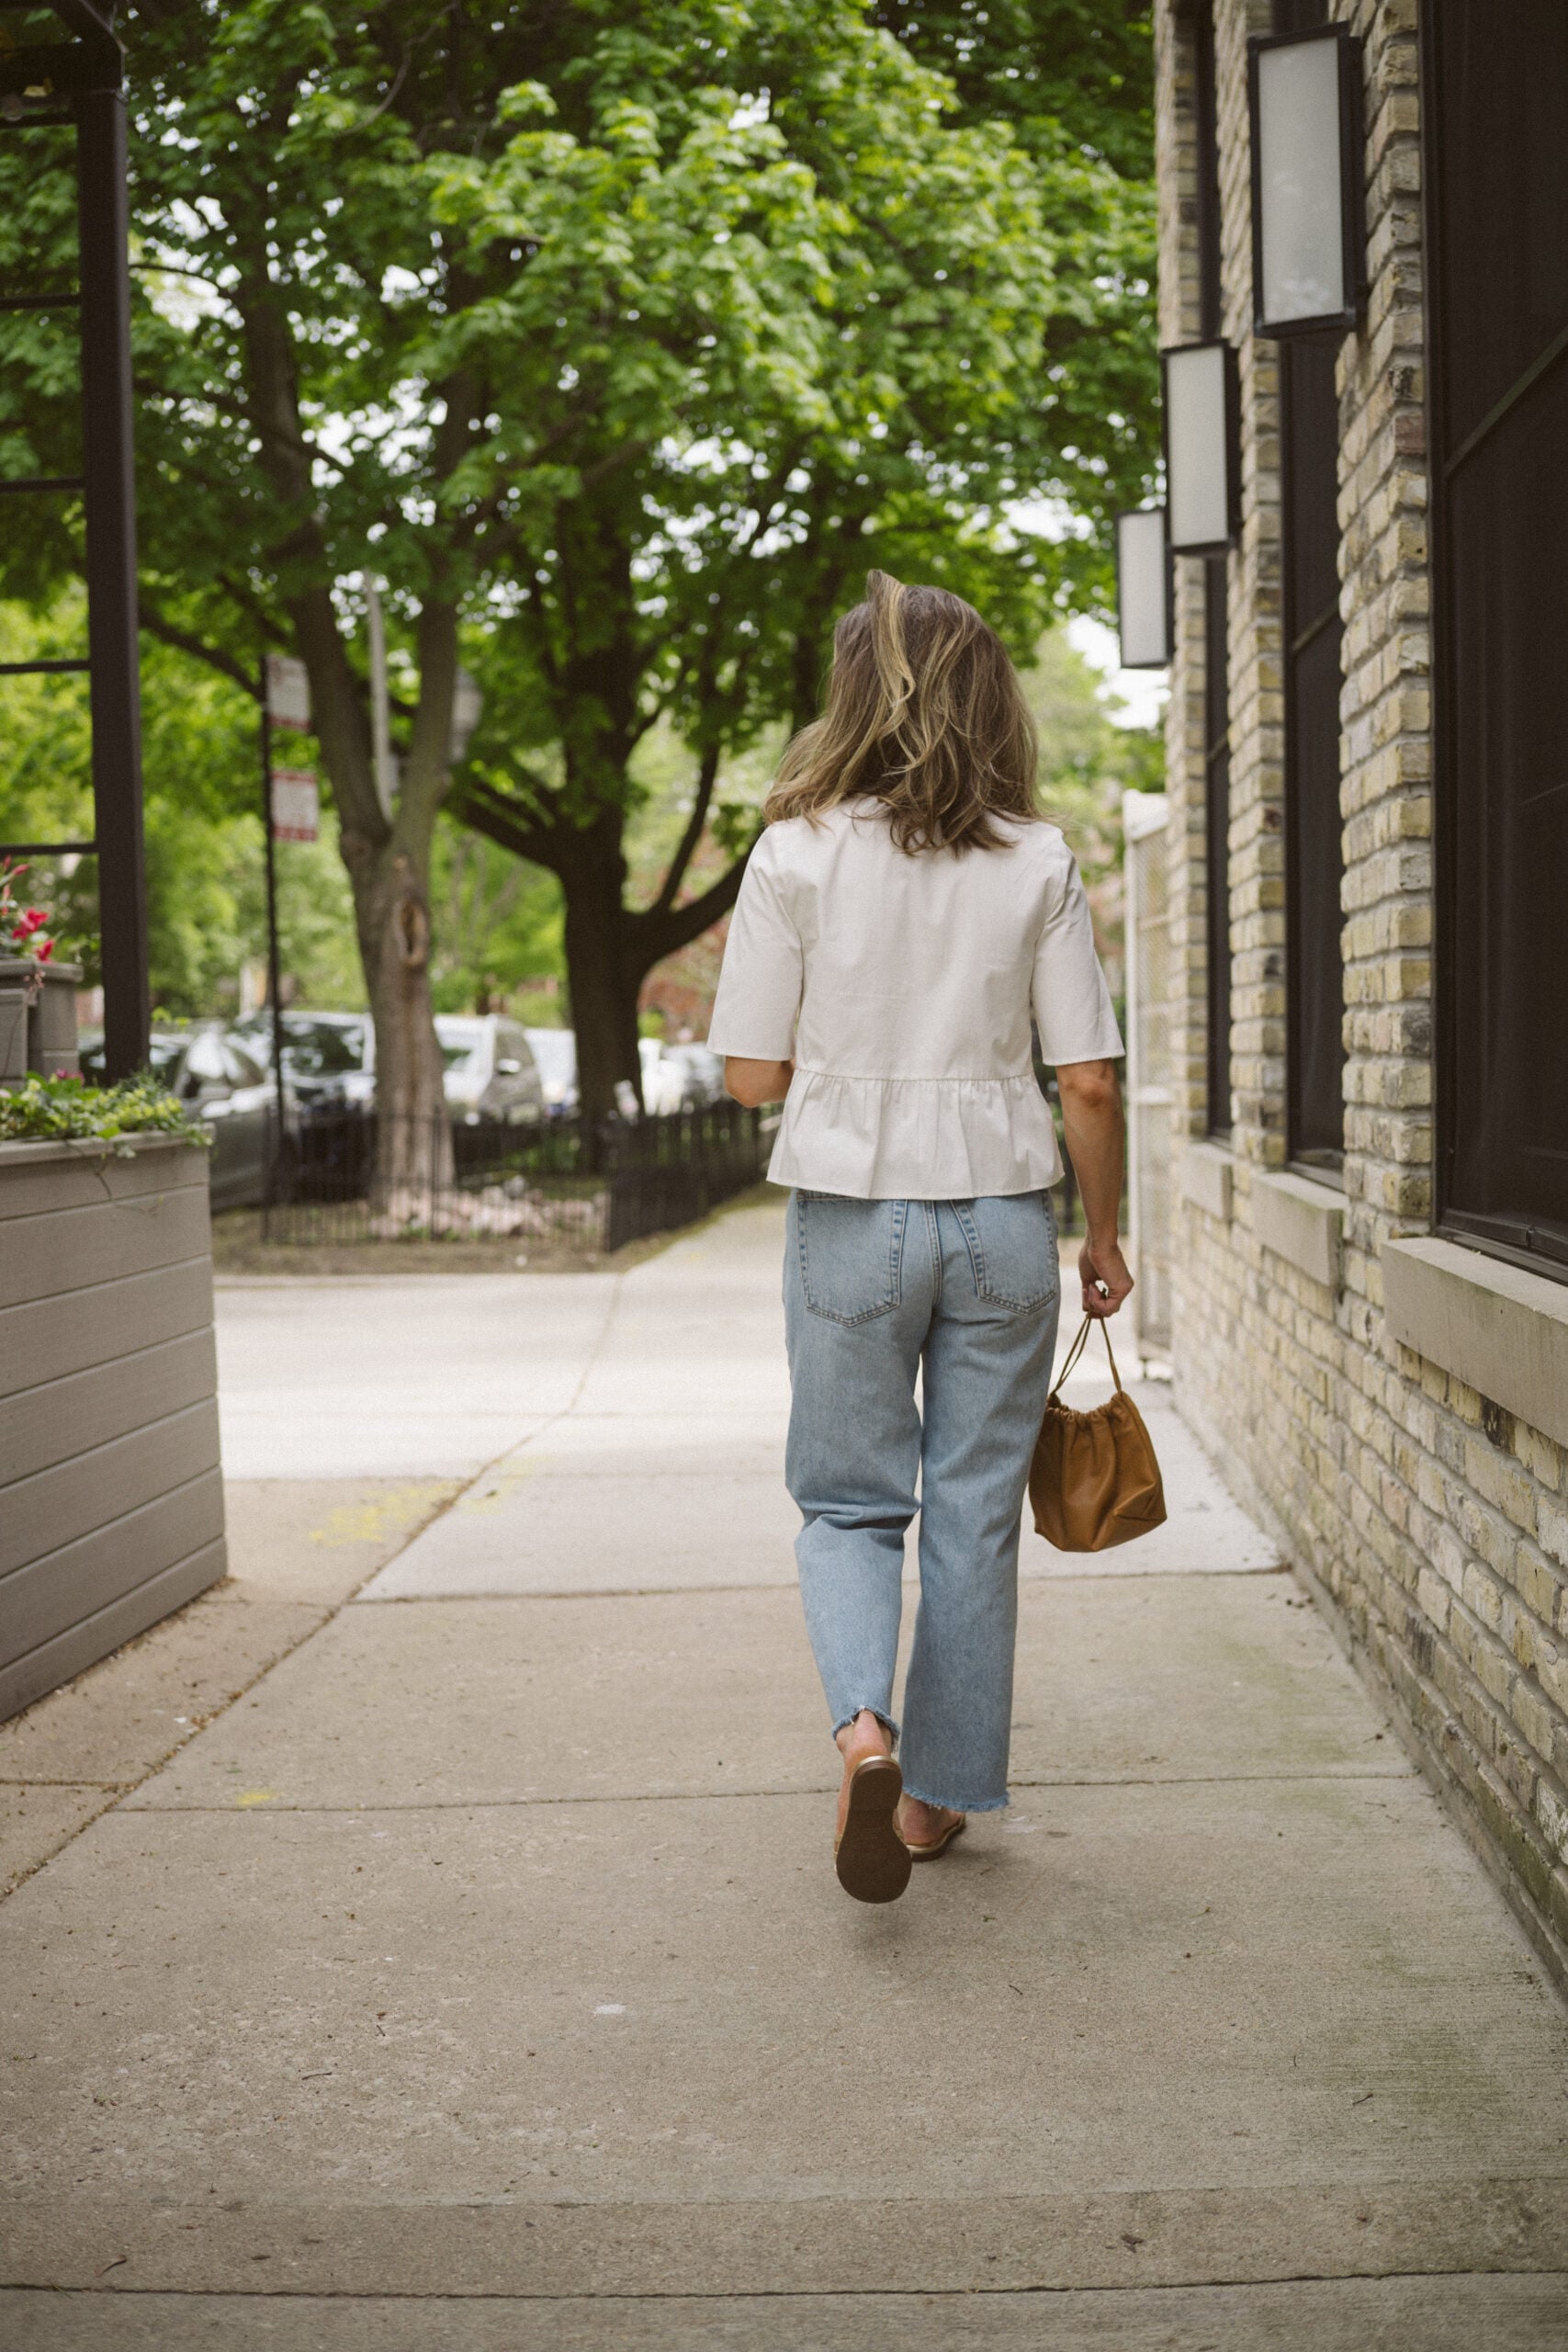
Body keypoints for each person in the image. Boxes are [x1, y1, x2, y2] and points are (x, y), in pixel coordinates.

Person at [707, 571, 1131, 1905]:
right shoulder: (1041, 859)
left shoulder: (794, 853)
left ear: (854, 700)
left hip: (845, 1219)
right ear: (988, 699)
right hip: (1003, 1221)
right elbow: (1092, 1084)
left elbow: (749, 1079)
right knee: (970, 1513)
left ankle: (861, 1731)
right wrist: (1105, 1237)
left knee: (846, 1501)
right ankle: (937, 1799)